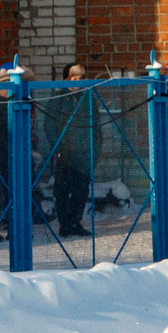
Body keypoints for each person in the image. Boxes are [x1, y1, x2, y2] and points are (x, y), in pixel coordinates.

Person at [43, 61, 95, 238]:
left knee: (81, 189)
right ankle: (65, 224)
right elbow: (49, 125)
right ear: (67, 79)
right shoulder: (59, 98)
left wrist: (95, 149)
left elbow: (96, 127)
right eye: (73, 78)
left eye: (80, 78)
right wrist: (57, 146)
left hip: (83, 152)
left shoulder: (87, 97)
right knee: (63, 189)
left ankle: (75, 222)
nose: (77, 81)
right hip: (64, 152)